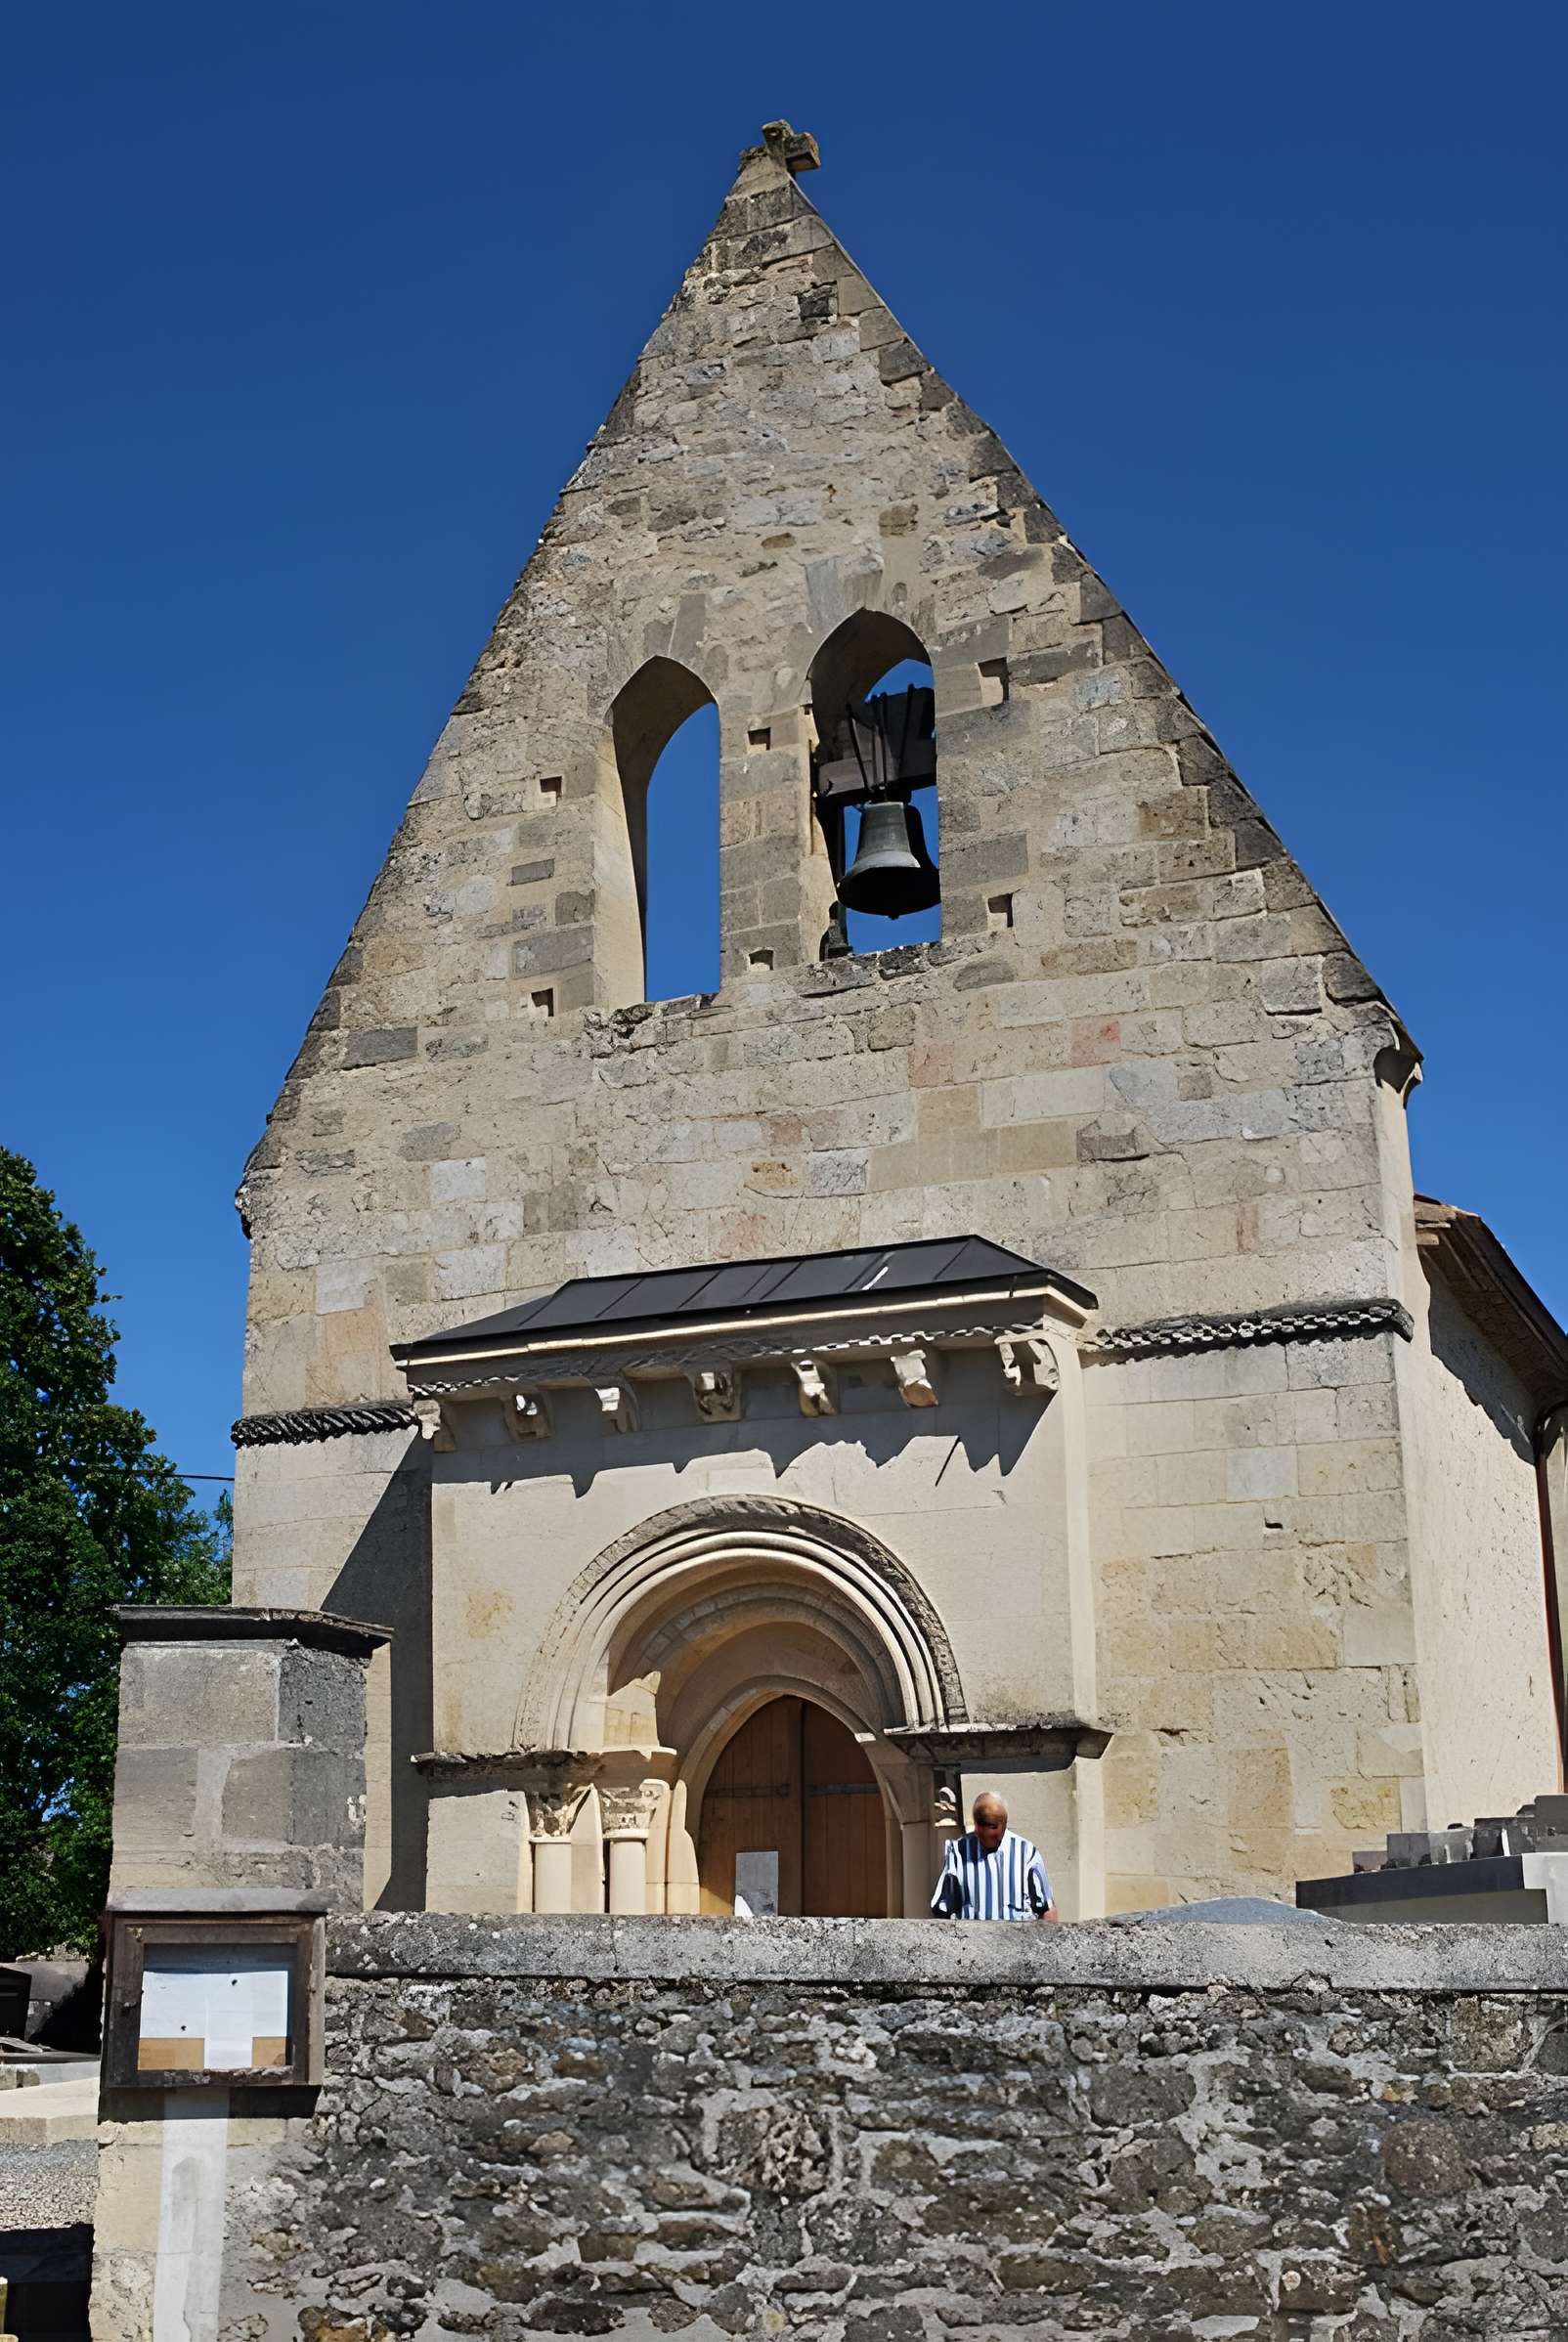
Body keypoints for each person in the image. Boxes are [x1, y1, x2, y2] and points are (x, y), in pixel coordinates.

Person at [930, 1790, 1059, 1922]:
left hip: (1018, 1933)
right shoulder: (958, 1852)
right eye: (984, 1827)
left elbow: (1046, 1908)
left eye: (994, 1827)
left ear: (1004, 1823)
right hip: (972, 1933)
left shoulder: (1026, 1852)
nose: (990, 1834)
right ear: (976, 1825)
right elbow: (942, 1907)